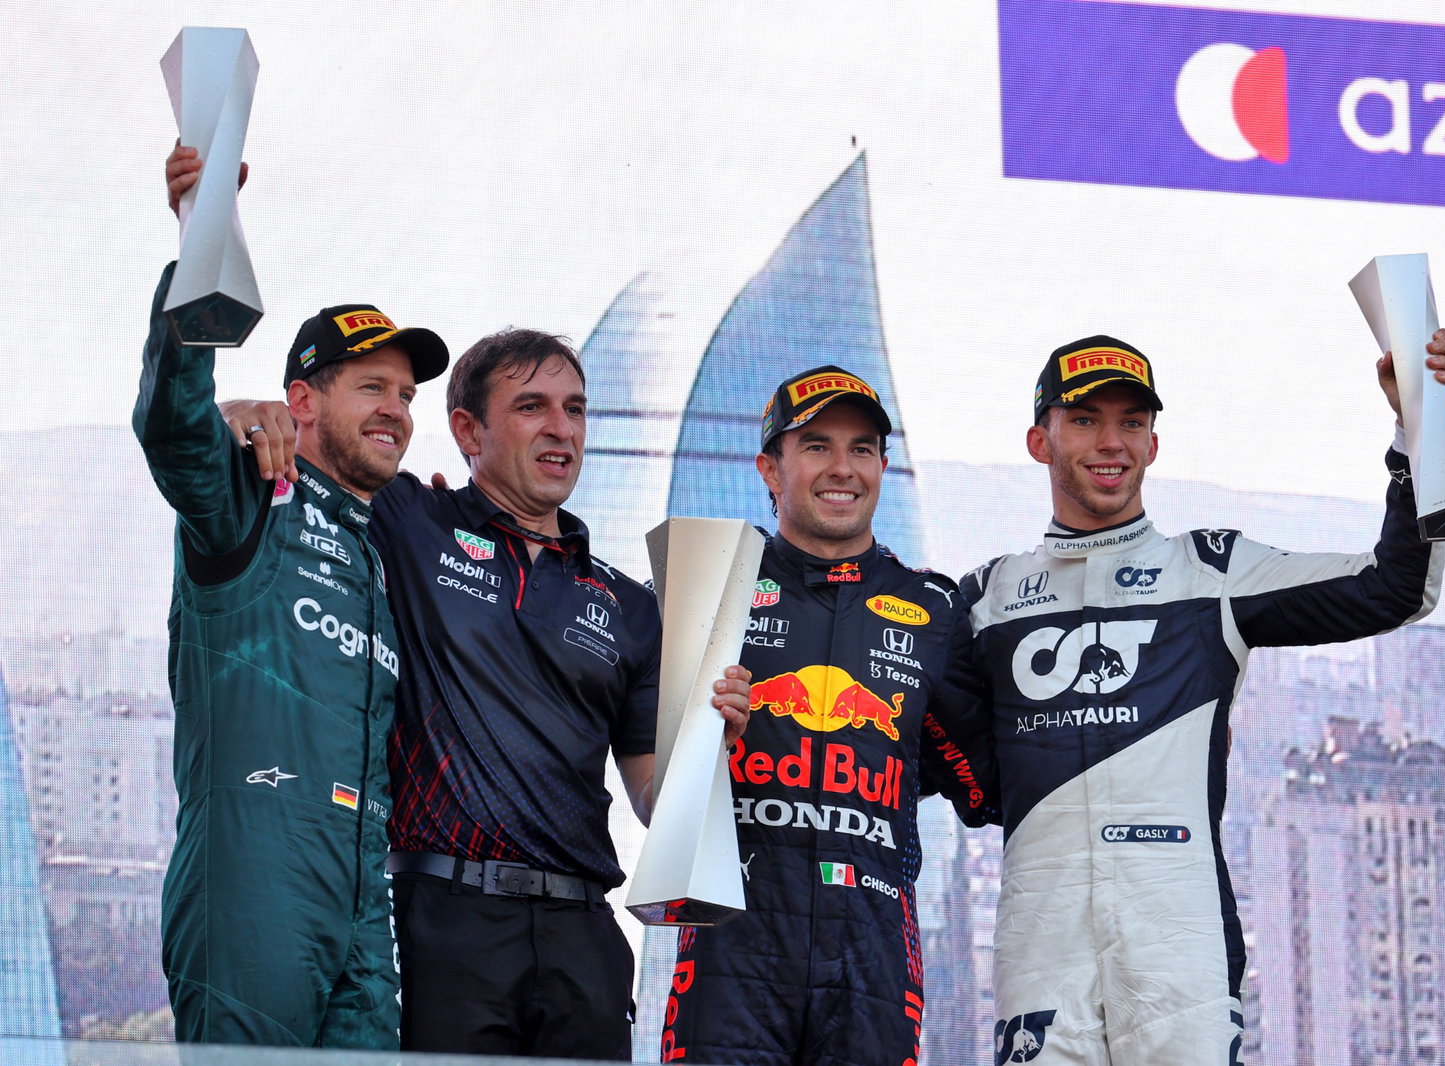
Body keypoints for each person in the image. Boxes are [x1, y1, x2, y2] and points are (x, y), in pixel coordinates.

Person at [219, 323, 752, 1059]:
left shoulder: (630, 604)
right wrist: (244, 413)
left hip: (584, 934)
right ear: (467, 430)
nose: (561, 428)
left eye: (576, 407)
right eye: (532, 406)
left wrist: (707, 745)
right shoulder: (409, 519)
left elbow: (654, 799)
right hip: (445, 920)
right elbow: (311, 455)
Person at [961, 333, 1445, 1064]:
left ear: (1154, 444)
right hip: (1040, 947)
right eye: (1086, 420)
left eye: (1132, 422)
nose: (1112, 442)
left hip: (1179, 943)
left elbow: (1394, 588)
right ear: (1041, 440)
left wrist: (1423, 428)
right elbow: (915, 741)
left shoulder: (1212, 571)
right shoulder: (987, 597)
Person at [137, 147, 450, 1047]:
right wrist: (202, 239)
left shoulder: (387, 542)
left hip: (361, 894)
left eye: (404, 392)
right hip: (252, 871)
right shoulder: (245, 494)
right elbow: (170, 418)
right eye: (371, 389)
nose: (395, 408)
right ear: (302, 400)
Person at [660, 366, 998, 1066]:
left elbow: (984, 785)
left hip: (873, 951)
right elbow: (617, 734)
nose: (843, 468)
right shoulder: (705, 588)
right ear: (769, 468)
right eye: (816, 445)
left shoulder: (935, 613)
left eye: (863, 448)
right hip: (732, 946)